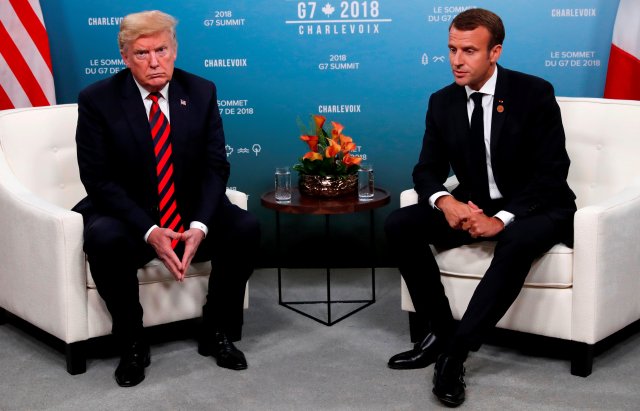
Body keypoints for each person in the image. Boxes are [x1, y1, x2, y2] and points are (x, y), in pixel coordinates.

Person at [384, 8, 576, 407]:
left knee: (518, 239)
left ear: (495, 53)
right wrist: (446, 201)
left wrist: (501, 219)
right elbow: (426, 169)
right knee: (400, 224)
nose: (457, 60)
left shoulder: (533, 93)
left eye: (469, 50)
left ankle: (455, 356)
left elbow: (552, 173)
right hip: (474, 203)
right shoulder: (442, 101)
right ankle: (438, 331)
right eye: (452, 49)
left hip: (539, 207)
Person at [72, 10, 260, 387]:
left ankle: (216, 329)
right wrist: (150, 230)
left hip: (188, 206)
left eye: (162, 49)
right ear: (125, 58)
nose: (154, 62)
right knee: (102, 238)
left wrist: (199, 226)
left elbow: (214, 167)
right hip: (130, 214)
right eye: (142, 53)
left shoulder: (201, 91)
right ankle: (132, 341)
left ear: (174, 50)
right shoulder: (98, 100)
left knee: (244, 227)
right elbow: (98, 179)